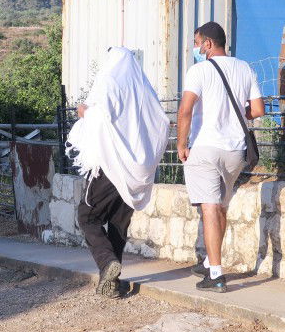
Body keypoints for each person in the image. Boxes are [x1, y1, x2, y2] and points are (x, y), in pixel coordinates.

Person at [66, 47, 169, 298]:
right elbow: (162, 124)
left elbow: (99, 117)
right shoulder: (144, 89)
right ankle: (111, 281)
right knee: (117, 224)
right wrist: (147, 159)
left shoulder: (109, 81)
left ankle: (107, 264)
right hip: (137, 170)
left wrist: (84, 112)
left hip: (111, 165)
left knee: (87, 216)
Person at [177, 22, 265, 293]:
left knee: (210, 208)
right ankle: (208, 261)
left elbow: (186, 110)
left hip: (205, 148)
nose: (195, 47)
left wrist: (181, 143)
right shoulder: (245, 68)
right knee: (220, 207)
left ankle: (216, 274)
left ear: (208, 44)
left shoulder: (199, 70)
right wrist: (235, 118)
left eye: (197, 42)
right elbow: (258, 110)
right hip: (235, 151)